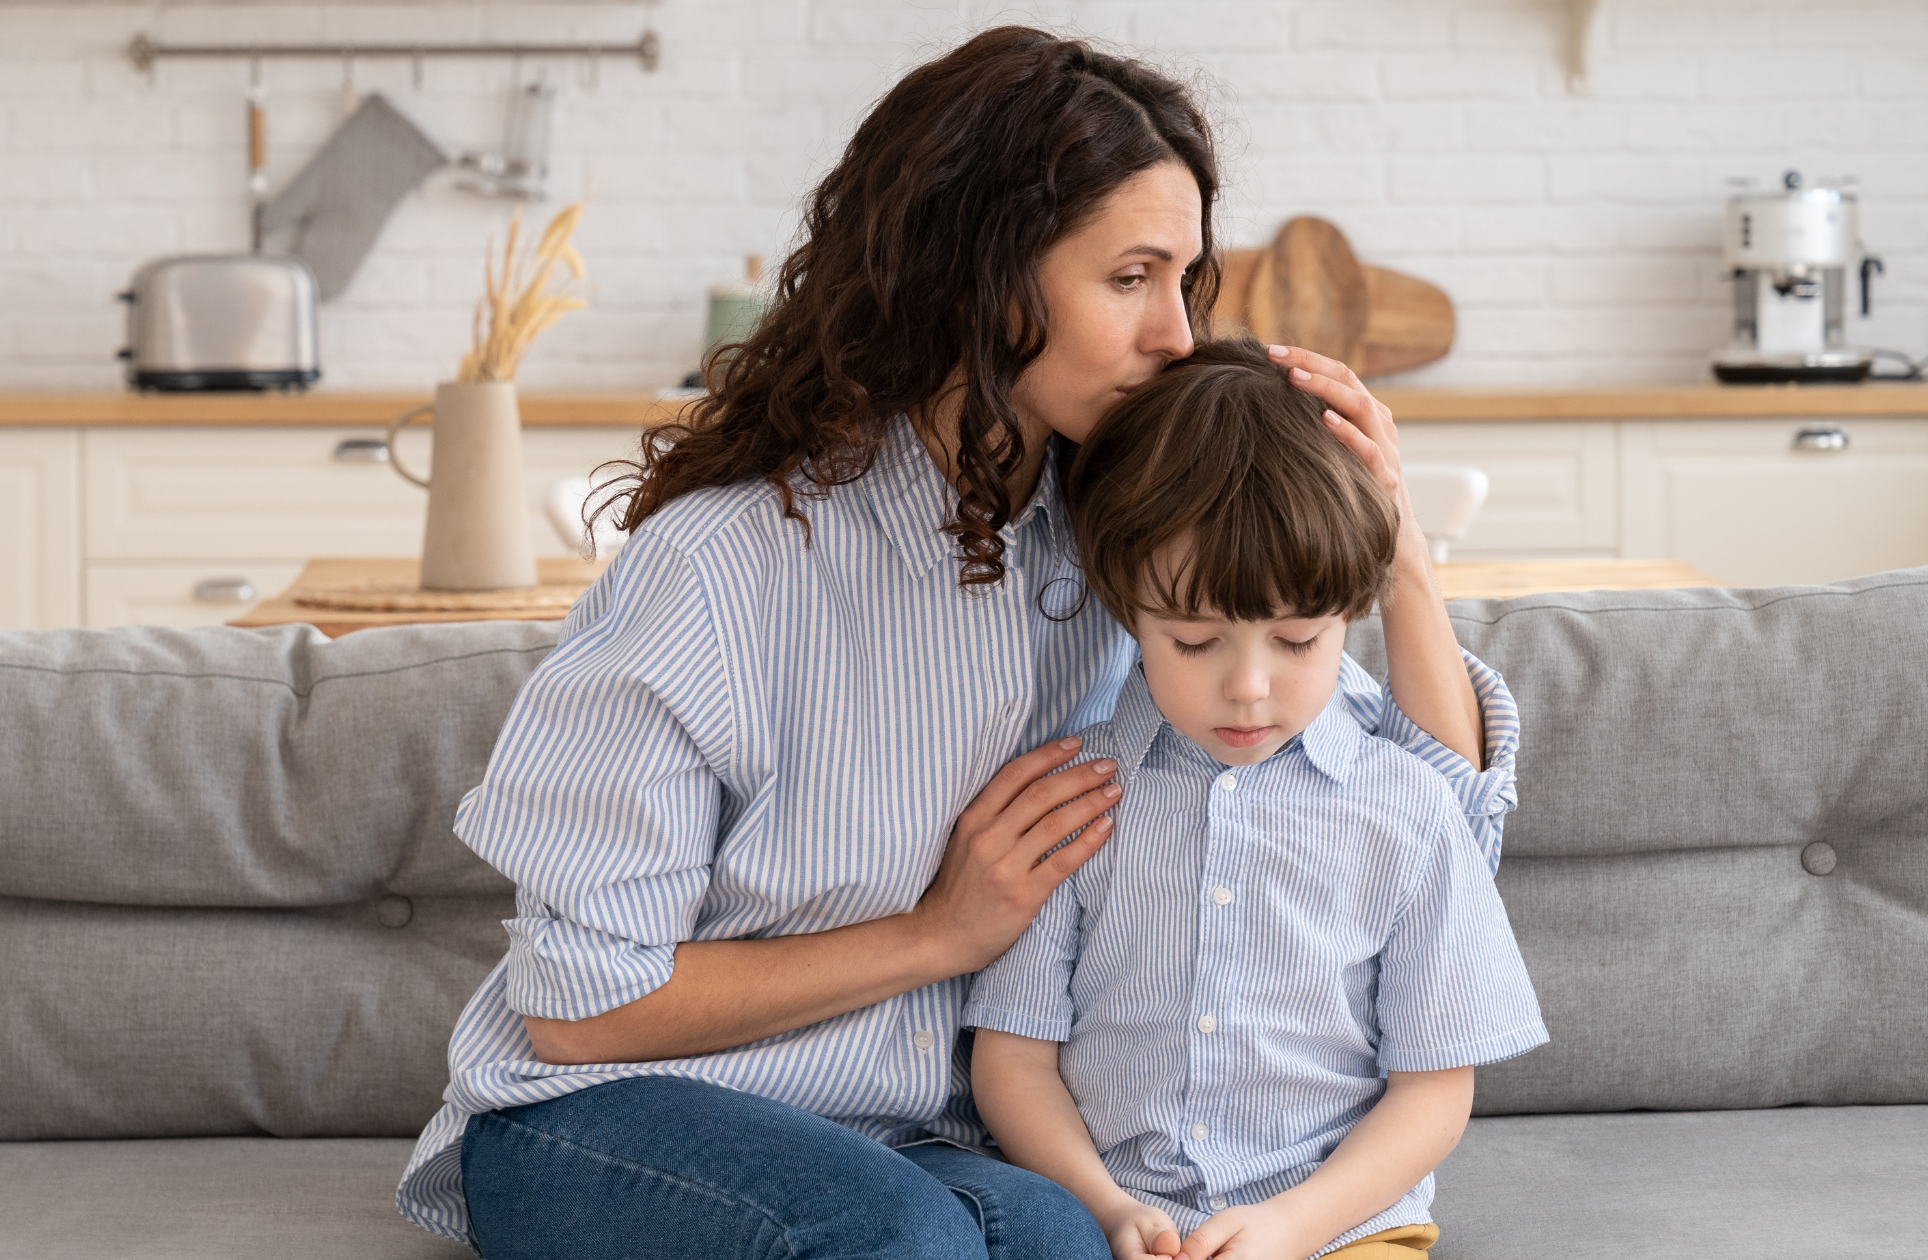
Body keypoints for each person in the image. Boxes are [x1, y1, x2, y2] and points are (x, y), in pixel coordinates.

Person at [395, 27, 1520, 1260]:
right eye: (1129, 277)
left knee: (1059, 1243)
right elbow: (576, 1012)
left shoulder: (1125, 547)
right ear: (978, 280)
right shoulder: (720, 567)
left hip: (922, 1136)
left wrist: (1397, 555)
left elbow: (1422, 813)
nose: (1177, 340)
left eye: (1183, 281)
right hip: (608, 1118)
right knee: (902, 1243)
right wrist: (941, 934)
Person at [965, 340, 1548, 1260]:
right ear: (1126, 609)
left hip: (1339, 1230)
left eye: (1299, 639)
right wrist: (1106, 1205)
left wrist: (1292, 1226)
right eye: (1194, 641)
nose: (1248, 688)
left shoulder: (1408, 809)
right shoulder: (1074, 798)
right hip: (1104, 1223)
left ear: (1349, 611)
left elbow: (1435, 1089)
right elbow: (1014, 1058)